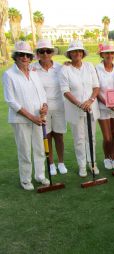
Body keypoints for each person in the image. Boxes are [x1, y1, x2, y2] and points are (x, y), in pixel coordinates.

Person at [2, 41, 50, 190]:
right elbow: (11, 101)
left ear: (31, 58)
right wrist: (31, 117)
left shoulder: (34, 73)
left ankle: (40, 175)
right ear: (15, 57)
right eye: (21, 55)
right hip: (21, 120)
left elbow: (42, 93)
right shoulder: (9, 74)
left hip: (38, 118)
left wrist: (44, 107)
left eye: (27, 55)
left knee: (39, 148)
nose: (24, 58)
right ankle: (25, 179)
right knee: (24, 150)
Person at [59, 40, 100, 177]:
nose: (77, 53)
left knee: (91, 138)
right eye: (74, 51)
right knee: (79, 139)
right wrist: (79, 104)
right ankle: (82, 165)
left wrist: (90, 100)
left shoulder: (89, 66)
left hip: (91, 108)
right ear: (70, 54)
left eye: (79, 51)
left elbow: (96, 87)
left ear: (82, 53)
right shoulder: (65, 69)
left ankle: (92, 163)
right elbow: (65, 90)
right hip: (75, 109)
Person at [31, 39, 68, 176]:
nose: (45, 54)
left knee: (59, 136)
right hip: (42, 109)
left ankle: (61, 162)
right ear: (38, 53)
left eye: (48, 51)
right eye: (42, 51)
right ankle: (51, 163)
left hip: (59, 107)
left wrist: (68, 64)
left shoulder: (60, 67)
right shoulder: (32, 69)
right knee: (47, 136)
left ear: (52, 53)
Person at [95, 42, 114, 170]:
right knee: (107, 136)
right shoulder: (96, 69)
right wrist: (107, 103)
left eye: (112, 53)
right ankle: (106, 158)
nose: (109, 55)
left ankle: (113, 157)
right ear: (102, 54)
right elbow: (96, 90)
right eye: (107, 53)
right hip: (103, 107)